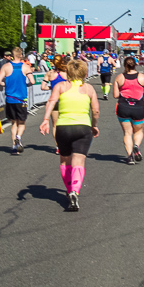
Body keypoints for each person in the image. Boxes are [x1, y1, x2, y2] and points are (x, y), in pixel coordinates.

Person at [40, 58, 100, 211]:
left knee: (65, 161)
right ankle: (75, 191)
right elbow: (96, 111)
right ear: (85, 73)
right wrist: (94, 125)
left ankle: (68, 190)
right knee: (78, 162)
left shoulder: (61, 86)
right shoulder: (88, 89)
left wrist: (46, 119)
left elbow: (51, 101)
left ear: (67, 72)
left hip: (63, 128)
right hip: (83, 128)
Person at [112, 55, 144, 164]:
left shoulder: (119, 77)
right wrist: (142, 94)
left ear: (124, 65)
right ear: (135, 64)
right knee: (138, 131)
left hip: (123, 107)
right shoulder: (142, 77)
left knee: (127, 133)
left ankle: (130, 156)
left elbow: (116, 95)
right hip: (138, 107)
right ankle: (136, 146)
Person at [0, 47, 34, 154]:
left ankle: (14, 146)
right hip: (21, 99)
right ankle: (19, 137)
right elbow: (33, 81)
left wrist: (5, 84)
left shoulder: (6, 66)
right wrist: (26, 85)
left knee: (14, 123)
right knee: (22, 122)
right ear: (21, 55)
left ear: (12, 55)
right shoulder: (25, 67)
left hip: (10, 99)